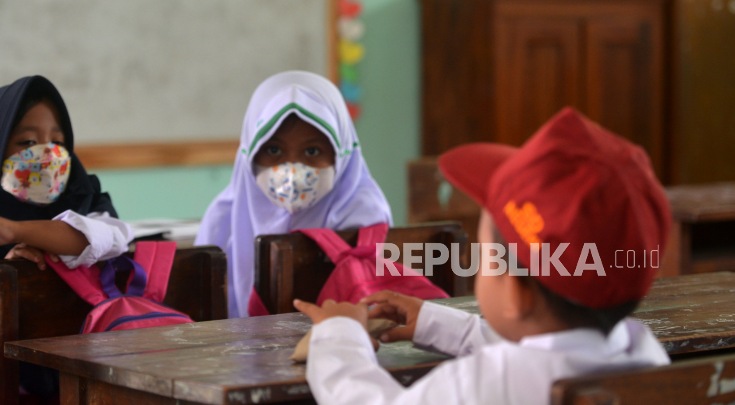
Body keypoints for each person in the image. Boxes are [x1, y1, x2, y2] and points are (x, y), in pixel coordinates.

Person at [295, 107, 672, 405]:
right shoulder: (646, 357)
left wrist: (339, 336)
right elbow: (550, 353)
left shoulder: (482, 386)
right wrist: (437, 324)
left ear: (518, 293)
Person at [0, 76, 133, 392]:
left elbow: (113, 237)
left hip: (95, 381)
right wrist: (3, 282)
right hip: (6, 389)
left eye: (57, 143)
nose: (48, 155)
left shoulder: (82, 197)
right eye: (27, 143)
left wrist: (18, 231)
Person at [195, 71, 392, 318]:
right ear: (250, 155)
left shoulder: (363, 216)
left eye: (312, 151)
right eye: (274, 149)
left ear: (341, 153)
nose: (292, 171)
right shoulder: (223, 220)